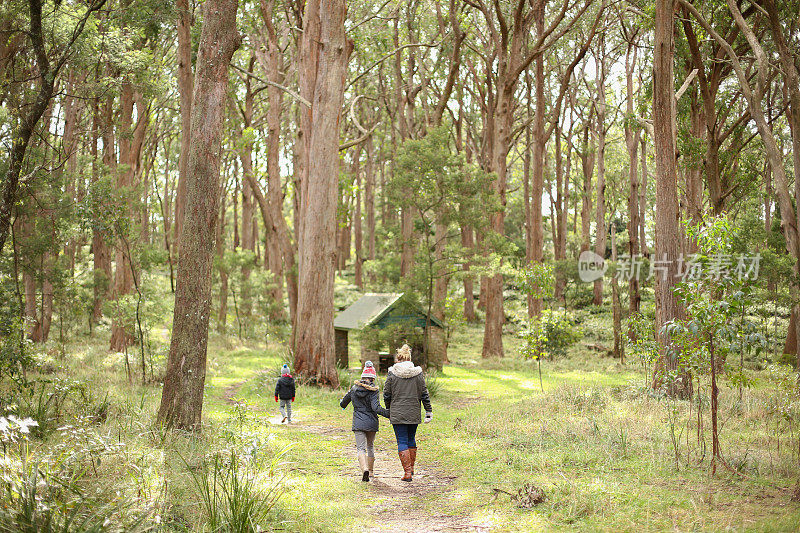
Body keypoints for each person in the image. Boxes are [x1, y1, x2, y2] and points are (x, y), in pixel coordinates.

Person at [383, 344, 432, 482]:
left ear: (398, 359)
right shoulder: (418, 373)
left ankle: (407, 473)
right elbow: (424, 393)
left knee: (402, 440)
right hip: (413, 412)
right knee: (411, 439)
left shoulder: (392, 373)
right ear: (410, 359)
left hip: (398, 413)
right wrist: (428, 410)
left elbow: (387, 394)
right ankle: (411, 469)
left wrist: (389, 408)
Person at [340, 361, 390, 481]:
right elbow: (376, 408)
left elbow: (343, 403)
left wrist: (342, 404)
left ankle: (364, 470)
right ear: (372, 378)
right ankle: (371, 471)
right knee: (370, 446)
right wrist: (389, 414)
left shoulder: (354, 388)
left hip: (358, 422)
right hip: (371, 422)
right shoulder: (374, 390)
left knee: (360, 448)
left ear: (362, 377)